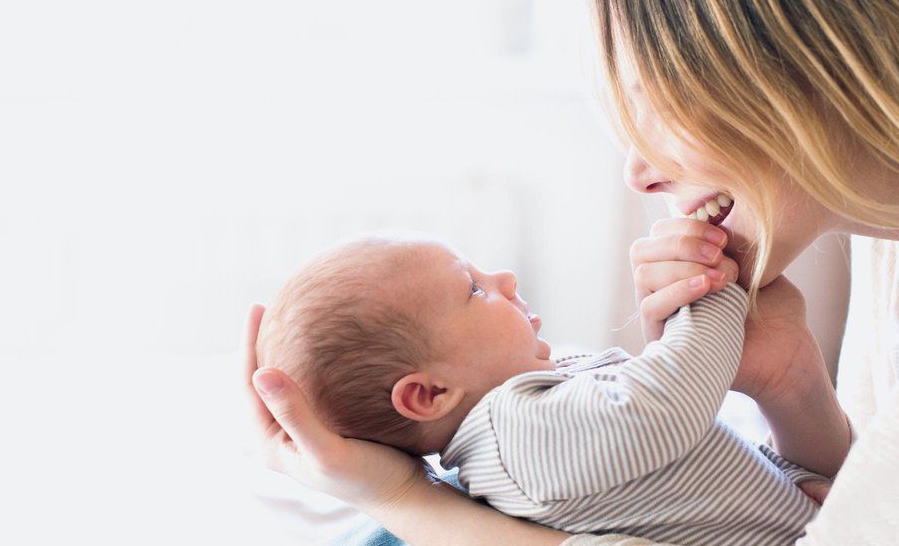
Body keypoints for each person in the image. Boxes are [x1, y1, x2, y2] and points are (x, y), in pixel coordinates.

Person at [244, 0, 899, 543]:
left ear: (805, 81)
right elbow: (874, 512)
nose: (639, 172)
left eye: (656, 107)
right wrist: (793, 386)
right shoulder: (889, 233)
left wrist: (400, 499)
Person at [257, 233, 822, 544]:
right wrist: (713, 293)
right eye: (474, 290)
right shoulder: (517, 436)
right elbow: (668, 406)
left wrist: (798, 480)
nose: (504, 280)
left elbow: (704, 467)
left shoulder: (531, 405)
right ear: (429, 395)